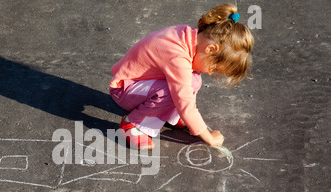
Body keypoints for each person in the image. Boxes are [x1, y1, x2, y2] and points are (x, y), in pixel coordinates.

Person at [109, 3, 254, 149]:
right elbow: (184, 100)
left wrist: (189, 118)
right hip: (124, 90)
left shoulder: (188, 36)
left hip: (142, 84)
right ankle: (133, 125)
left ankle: (173, 115)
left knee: (194, 79)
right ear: (211, 48)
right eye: (214, 67)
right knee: (173, 93)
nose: (210, 72)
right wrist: (208, 137)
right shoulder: (176, 56)